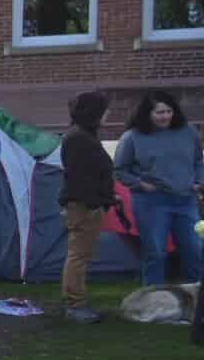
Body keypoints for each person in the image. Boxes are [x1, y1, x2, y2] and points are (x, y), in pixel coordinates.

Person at [114, 89, 204, 288]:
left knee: (195, 248)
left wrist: (199, 181)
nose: (165, 117)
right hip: (152, 202)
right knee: (155, 252)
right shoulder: (132, 137)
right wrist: (140, 184)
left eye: (168, 111)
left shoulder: (188, 131)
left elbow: (199, 160)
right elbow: (120, 170)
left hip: (186, 199)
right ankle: (152, 297)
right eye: (159, 112)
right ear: (147, 114)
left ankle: (196, 299)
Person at [59, 90, 115, 323]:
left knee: (81, 254)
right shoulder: (79, 139)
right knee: (78, 255)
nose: (108, 114)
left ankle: (77, 301)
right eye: (105, 110)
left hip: (87, 203)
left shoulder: (83, 136)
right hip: (83, 206)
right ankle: (75, 304)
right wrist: (95, 202)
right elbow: (81, 177)